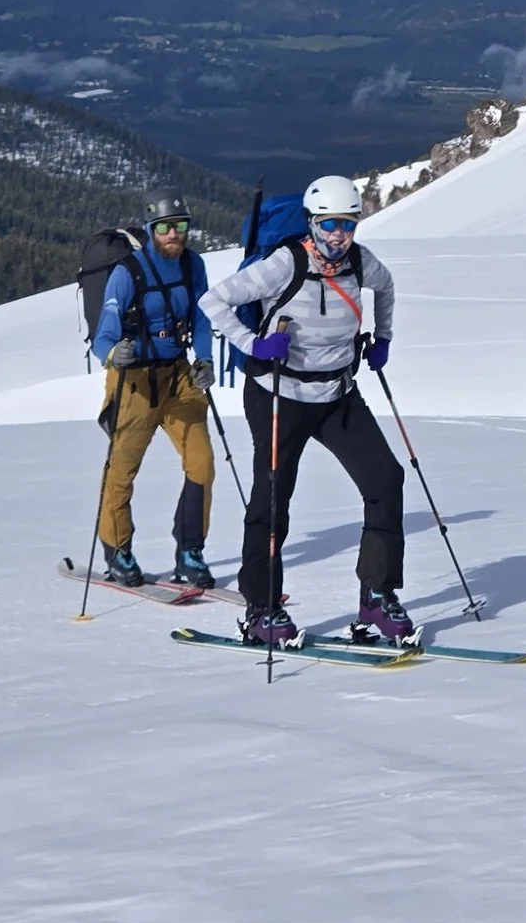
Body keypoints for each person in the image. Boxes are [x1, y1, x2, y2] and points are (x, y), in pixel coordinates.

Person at [201, 172, 407, 648]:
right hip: (279, 394)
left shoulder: (362, 263)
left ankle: (376, 595)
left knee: (386, 481)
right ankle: (262, 608)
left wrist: (385, 338)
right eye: (330, 224)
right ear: (312, 222)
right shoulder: (284, 263)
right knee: (273, 501)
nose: (339, 235)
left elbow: (388, 288)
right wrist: (254, 343)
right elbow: (214, 300)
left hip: (337, 394)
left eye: (348, 224)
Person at [90, 199, 222, 589]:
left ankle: (190, 550)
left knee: (202, 462)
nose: (173, 235)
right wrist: (114, 354)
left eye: (179, 226)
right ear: (150, 229)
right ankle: (117, 550)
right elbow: (104, 335)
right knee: (122, 468)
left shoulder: (192, 265)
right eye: (164, 227)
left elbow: (200, 316)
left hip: (179, 376)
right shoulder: (127, 272)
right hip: (135, 381)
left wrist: (206, 360)